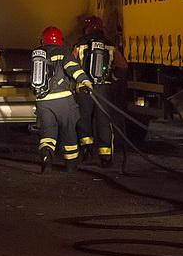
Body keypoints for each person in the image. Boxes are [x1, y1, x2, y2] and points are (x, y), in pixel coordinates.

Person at [32, 26, 92, 172]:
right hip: (62, 100)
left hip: (42, 101)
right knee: (68, 131)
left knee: (47, 132)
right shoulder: (63, 52)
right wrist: (85, 80)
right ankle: (71, 164)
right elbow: (72, 67)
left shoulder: (37, 54)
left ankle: (46, 156)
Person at [73, 15, 128, 167]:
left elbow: (71, 65)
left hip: (84, 88)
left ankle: (86, 150)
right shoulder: (110, 45)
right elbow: (123, 66)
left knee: (84, 118)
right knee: (104, 121)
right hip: (104, 89)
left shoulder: (79, 45)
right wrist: (114, 78)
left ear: (87, 29)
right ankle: (105, 156)